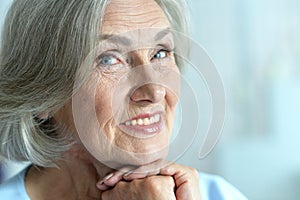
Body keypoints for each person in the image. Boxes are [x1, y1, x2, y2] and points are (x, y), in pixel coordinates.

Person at [0, 0, 247, 199]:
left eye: (160, 53)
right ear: (43, 95)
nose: (155, 92)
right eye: (108, 59)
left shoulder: (216, 194)